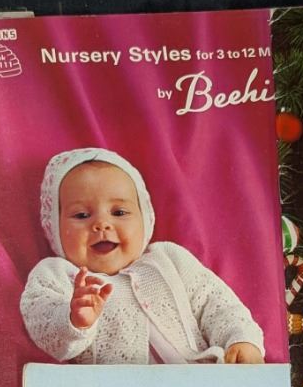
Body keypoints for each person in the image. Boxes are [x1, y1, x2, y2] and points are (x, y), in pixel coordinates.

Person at [18, 147, 266, 365]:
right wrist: (74, 319)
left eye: (119, 212)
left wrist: (241, 339)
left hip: (203, 380)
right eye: (82, 215)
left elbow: (217, 303)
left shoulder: (169, 258)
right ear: (54, 226)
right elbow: (43, 324)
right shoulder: (57, 274)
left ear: (145, 219)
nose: (102, 224)